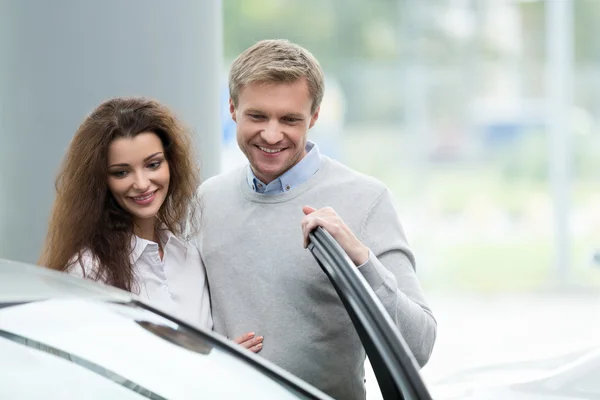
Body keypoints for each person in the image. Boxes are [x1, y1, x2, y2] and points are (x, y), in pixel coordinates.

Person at [197, 39, 437, 400]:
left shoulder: (365, 200)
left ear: (315, 117)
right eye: (257, 116)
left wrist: (359, 257)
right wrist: (210, 357)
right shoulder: (207, 200)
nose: (272, 134)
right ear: (232, 109)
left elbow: (418, 347)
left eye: (290, 119)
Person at [40, 96, 262, 352]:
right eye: (121, 172)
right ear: (102, 182)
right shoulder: (88, 270)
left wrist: (226, 357)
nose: (142, 183)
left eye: (153, 164)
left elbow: (197, 350)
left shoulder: (188, 255)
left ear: (171, 164)